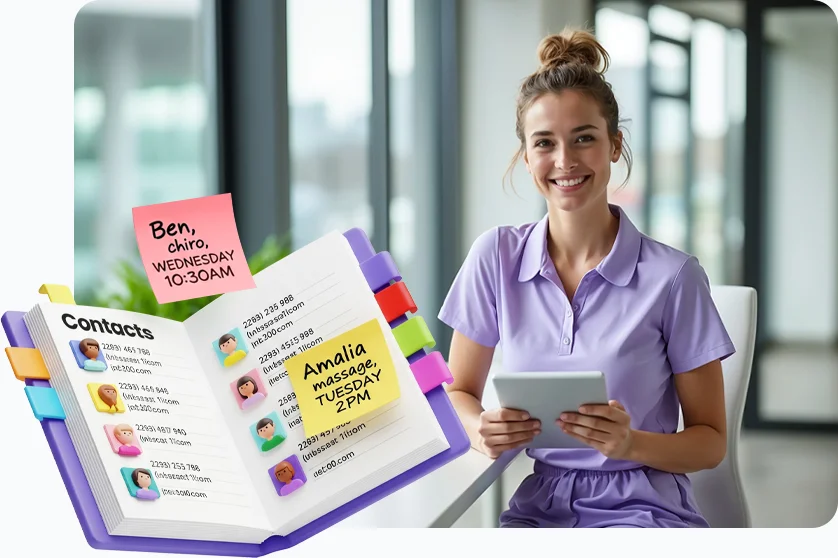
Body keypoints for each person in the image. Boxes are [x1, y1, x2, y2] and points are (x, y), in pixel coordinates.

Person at [437, 27, 735, 529]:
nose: (565, 161)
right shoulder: (495, 256)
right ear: (526, 156)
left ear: (614, 145)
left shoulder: (674, 277)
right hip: (539, 508)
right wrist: (479, 427)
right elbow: (457, 392)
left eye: (584, 139)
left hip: (646, 508)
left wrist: (631, 443)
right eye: (544, 143)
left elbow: (711, 442)